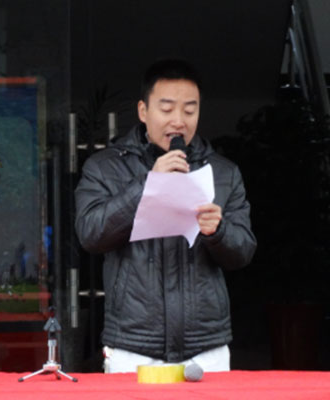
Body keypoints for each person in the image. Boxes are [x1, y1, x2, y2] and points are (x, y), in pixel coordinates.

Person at [75, 59, 256, 373]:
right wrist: (148, 185)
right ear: (143, 111)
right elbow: (90, 234)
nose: (179, 121)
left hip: (206, 346)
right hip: (133, 345)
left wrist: (219, 231)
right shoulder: (104, 167)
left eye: (190, 110)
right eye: (167, 109)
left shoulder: (223, 172)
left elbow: (243, 252)